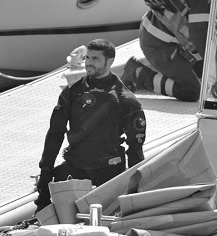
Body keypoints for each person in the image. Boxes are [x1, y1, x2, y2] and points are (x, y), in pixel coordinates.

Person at [35, 39, 146, 209]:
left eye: (95, 59)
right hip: (75, 167)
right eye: (87, 57)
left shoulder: (125, 100)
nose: (88, 63)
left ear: (109, 62)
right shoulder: (72, 92)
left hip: (108, 171)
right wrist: (45, 169)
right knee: (43, 204)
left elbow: (135, 148)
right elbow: (55, 133)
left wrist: (133, 187)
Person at [123, 0, 217, 102]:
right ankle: (138, 73)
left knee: (202, 72)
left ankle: (171, 70)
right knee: (193, 91)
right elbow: (199, 34)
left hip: (161, 36)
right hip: (159, 43)